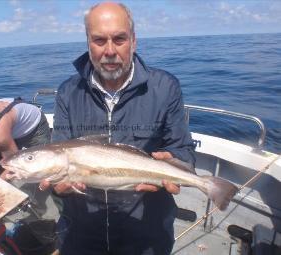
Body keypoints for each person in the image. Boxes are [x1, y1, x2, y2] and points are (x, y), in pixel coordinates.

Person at [42, 2, 195, 255]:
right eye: (99, 40)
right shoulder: (68, 92)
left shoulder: (165, 87)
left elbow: (183, 149)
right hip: (82, 228)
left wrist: (175, 163)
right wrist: (61, 187)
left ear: (133, 41)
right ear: (88, 42)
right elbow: (59, 149)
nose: (110, 51)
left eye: (119, 39)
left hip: (146, 227)